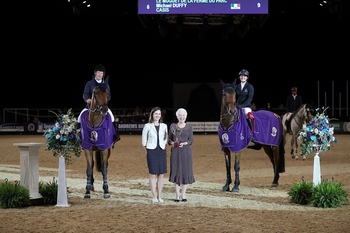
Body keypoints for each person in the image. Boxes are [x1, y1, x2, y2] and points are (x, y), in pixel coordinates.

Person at [141, 106, 168, 203]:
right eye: (156, 114)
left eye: (159, 114)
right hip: (151, 151)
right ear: (152, 115)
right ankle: (154, 196)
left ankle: (160, 196)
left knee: (161, 174)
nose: (158, 115)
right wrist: (148, 152)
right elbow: (144, 142)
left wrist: (163, 146)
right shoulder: (147, 126)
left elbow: (165, 138)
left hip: (161, 151)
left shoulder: (164, 126)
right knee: (152, 174)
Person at [168, 108, 195, 203]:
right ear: (177, 116)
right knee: (176, 171)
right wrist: (172, 143)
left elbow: (191, 140)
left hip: (186, 152)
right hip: (175, 152)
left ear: (186, 116)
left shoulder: (189, 127)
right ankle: (177, 195)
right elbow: (169, 140)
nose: (182, 117)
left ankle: (183, 195)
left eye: (183, 115)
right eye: (180, 115)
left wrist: (185, 143)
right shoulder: (173, 126)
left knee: (185, 172)